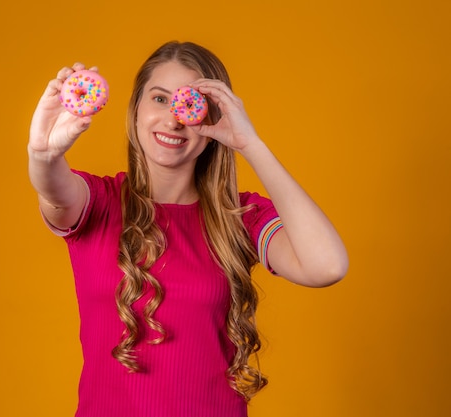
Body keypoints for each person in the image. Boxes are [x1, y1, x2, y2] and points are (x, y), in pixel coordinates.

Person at [27, 41, 348, 417]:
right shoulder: (98, 202)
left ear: (213, 117)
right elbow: (54, 190)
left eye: (189, 103)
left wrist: (250, 143)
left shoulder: (239, 217)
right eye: (159, 99)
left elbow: (327, 267)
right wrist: (43, 156)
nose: (174, 120)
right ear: (135, 111)